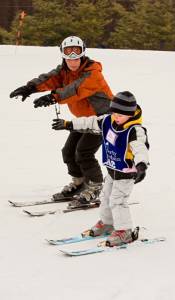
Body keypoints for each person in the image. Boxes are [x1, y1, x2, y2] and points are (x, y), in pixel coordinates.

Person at [10, 36, 113, 202]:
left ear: (83, 54)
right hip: (82, 119)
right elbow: (49, 79)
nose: (72, 58)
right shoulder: (64, 71)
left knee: (84, 152)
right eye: (68, 52)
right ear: (63, 55)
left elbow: (75, 89)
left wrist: (53, 97)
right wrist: (30, 88)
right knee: (68, 151)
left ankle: (95, 185)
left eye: (76, 53)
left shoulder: (93, 73)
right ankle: (79, 182)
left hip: (103, 120)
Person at [52, 91, 149, 247]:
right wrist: (68, 124)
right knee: (106, 198)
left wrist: (142, 166)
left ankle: (124, 231)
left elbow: (140, 150)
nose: (116, 117)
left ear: (130, 114)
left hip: (126, 174)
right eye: (114, 113)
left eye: (121, 115)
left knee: (118, 201)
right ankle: (107, 223)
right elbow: (89, 122)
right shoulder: (107, 121)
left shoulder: (134, 131)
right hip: (111, 170)